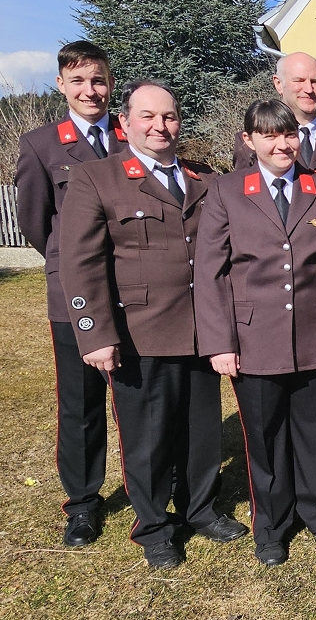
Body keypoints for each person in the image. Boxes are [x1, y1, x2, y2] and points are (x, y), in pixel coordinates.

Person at [59, 80, 247, 568]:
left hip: (201, 329)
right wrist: (95, 332)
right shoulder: (97, 178)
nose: (160, 126)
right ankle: (155, 526)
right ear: (125, 123)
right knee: (147, 437)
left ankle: (200, 510)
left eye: (169, 116)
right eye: (147, 116)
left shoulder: (203, 178)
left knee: (201, 432)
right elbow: (80, 262)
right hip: (139, 332)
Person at [195, 99, 316, 566]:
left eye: (288, 134)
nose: (282, 144)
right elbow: (210, 272)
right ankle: (271, 526)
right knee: (266, 441)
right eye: (269, 136)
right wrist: (220, 342)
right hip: (254, 339)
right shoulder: (227, 191)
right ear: (249, 141)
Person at [233, 52, 316, 490]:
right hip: (271, 295)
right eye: (299, 81)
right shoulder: (253, 137)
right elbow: (246, 214)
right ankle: (289, 477)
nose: (310, 89)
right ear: (278, 84)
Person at [15, 41, 126, 547]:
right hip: (75, 297)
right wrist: (71, 267)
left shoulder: (131, 135)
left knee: (140, 396)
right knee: (81, 403)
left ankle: (158, 482)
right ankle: (82, 502)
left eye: (98, 80)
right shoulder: (41, 145)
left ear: (110, 83)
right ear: (61, 85)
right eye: (78, 81)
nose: (90, 90)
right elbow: (37, 223)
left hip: (135, 290)